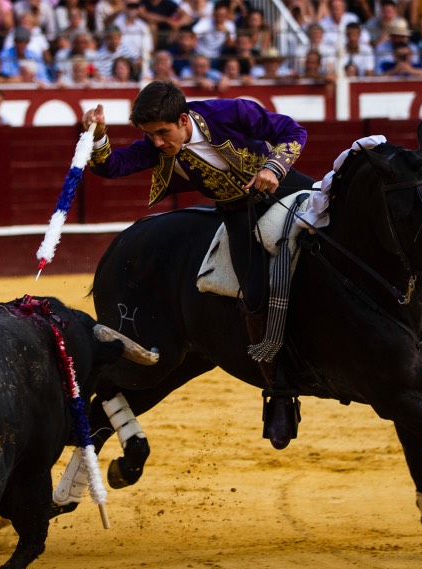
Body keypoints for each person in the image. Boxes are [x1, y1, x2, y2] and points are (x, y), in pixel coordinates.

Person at [81, 81, 314, 447]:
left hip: (286, 188)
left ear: (184, 120)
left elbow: (292, 130)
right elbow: (112, 166)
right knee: (253, 293)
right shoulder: (157, 144)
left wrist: (274, 167)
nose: (157, 142)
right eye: (150, 135)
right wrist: (97, 137)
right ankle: (280, 390)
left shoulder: (231, 112)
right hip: (239, 214)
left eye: (162, 133)